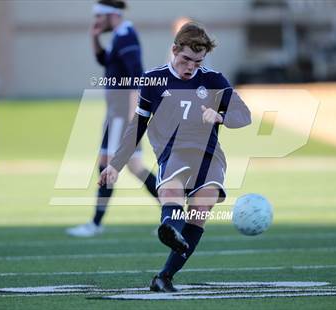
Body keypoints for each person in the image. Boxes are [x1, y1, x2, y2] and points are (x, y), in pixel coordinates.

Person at [99, 22, 252, 291]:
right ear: (174, 50)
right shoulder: (153, 81)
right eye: (185, 59)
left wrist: (221, 116)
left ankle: (164, 275)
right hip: (173, 152)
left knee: (200, 210)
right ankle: (170, 228)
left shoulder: (214, 80)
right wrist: (115, 164)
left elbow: (245, 116)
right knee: (171, 192)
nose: (191, 66)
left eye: (197, 61)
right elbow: (137, 127)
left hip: (209, 155)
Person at [66, 0, 158, 237]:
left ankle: (95, 224)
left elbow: (138, 76)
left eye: (99, 17)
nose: (96, 21)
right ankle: (174, 213)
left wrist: (133, 115)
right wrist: (94, 37)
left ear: (111, 15)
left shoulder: (126, 36)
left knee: (108, 165)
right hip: (117, 115)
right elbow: (104, 61)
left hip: (121, 116)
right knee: (135, 168)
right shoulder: (120, 35)